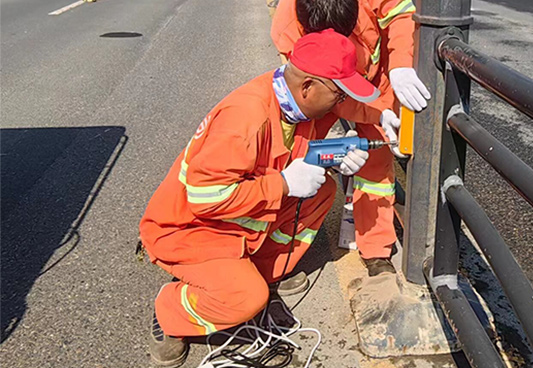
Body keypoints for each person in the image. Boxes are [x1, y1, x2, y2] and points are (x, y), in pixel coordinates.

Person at [140, 29, 380, 367]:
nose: (340, 103)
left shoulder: (293, 100)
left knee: (322, 190)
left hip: (230, 222)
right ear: (308, 87)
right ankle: (172, 309)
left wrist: (379, 124)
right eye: (338, 94)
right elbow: (206, 198)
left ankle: (261, 272)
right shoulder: (245, 118)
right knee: (246, 299)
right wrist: (282, 184)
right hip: (189, 230)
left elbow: (339, 116)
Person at [271, 0, 431, 277]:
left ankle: (376, 248)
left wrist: (400, 66)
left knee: (376, 162)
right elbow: (318, 97)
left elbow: (400, 12)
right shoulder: (287, 31)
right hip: (331, 87)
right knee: (296, 156)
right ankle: (278, 256)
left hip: (379, 73)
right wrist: (373, 112)